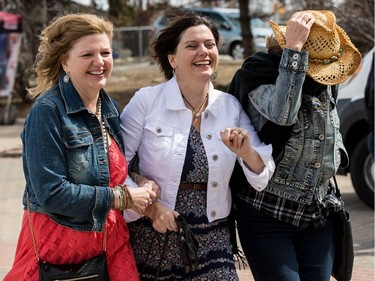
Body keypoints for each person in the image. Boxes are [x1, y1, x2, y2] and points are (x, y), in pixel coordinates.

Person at [120, 12, 275, 280]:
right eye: (192, 46)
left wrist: (246, 150)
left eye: (209, 44)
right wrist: (150, 208)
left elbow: (262, 175)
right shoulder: (146, 101)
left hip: (214, 239)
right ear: (172, 59)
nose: (203, 51)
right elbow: (115, 167)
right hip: (156, 236)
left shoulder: (230, 106)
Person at [4, 13, 159, 281]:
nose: (99, 62)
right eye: (87, 54)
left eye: (105, 52)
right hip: (61, 250)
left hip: (111, 243)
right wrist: (122, 198)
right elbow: (51, 193)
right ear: (65, 61)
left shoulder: (108, 108)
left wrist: (140, 179)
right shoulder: (47, 112)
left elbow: (113, 165)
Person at [227, 10, 361, 281]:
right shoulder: (258, 73)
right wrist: (295, 52)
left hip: (317, 210)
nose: (324, 73)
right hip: (268, 212)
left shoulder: (322, 82)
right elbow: (283, 114)